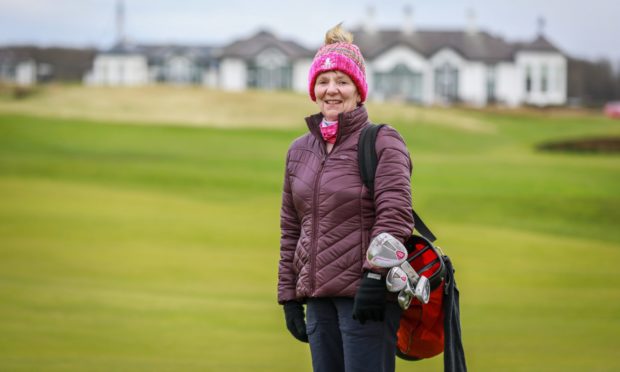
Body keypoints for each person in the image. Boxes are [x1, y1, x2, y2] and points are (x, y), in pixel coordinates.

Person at [277, 24, 414, 372]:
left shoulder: (382, 141)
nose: (331, 90)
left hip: (366, 297)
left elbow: (395, 215)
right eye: (323, 81)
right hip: (318, 299)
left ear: (359, 89)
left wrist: (373, 277)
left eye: (342, 81)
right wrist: (289, 297)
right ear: (313, 89)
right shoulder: (299, 151)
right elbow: (292, 229)